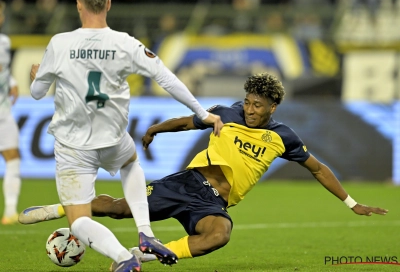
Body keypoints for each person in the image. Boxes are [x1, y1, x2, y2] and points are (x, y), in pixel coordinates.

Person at [20, 73, 388, 269]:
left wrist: (351, 202)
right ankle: (56, 210)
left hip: (212, 204)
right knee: (119, 209)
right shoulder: (226, 114)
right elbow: (189, 121)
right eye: (247, 102)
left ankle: (142, 254)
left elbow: (319, 169)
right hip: (189, 182)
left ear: (272, 108)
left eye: (257, 105)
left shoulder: (284, 138)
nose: (249, 109)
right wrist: (155, 129)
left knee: (220, 234)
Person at [26, 0, 224, 271]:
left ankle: (123, 257)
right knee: (130, 164)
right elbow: (165, 77)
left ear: (78, 4)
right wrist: (203, 113)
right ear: (108, 4)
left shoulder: (60, 43)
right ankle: (146, 233)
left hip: (74, 145)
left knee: (80, 220)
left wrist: (36, 76)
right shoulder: (125, 43)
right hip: (113, 137)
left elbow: (36, 94)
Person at [0, 0, 22, 225]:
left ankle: (10, 211)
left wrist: (13, 81)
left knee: (12, 157)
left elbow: (3, 71)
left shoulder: (4, 41)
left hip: (3, 112)